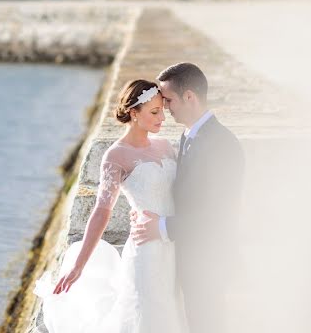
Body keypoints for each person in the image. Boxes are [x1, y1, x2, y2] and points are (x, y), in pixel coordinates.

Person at [35, 79, 187, 333]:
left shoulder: (164, 146)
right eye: (153, 112)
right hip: (146, 253)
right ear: (133, 113)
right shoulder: (116, 156)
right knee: (149, 315)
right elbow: (102, 211)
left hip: (174, 243)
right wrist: (78, 265)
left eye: (162, 109)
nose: (162, 117)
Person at [131, 62, 244, 333]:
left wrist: (161, 227)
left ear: (189, 97)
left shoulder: (221, 144)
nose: (166, 108)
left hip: (209, 260)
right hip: (188, 257)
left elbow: (217, 215)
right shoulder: (188, 136)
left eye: (168, 100)